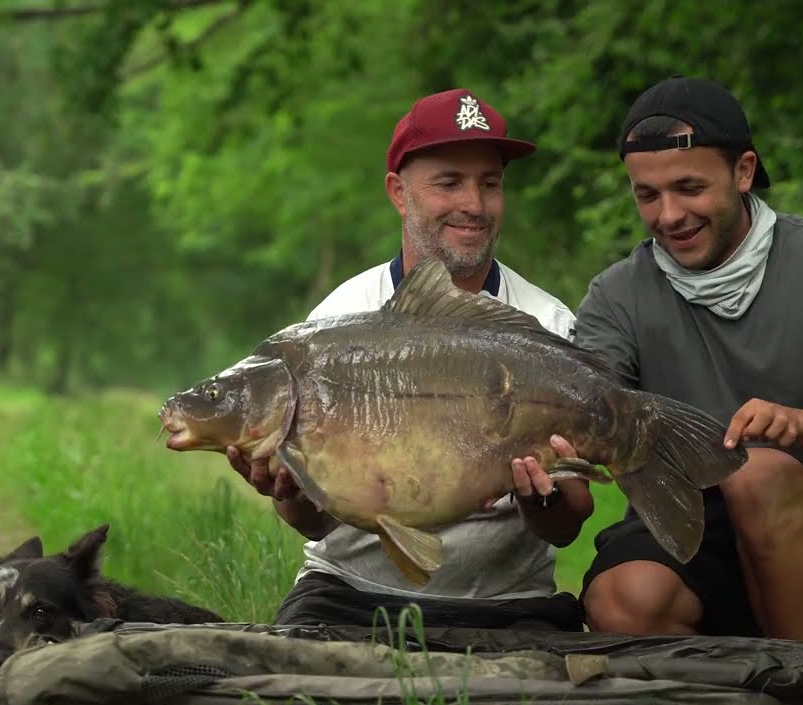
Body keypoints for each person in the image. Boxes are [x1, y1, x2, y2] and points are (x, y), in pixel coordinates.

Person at [224, 88, 595, 631]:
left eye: (489, 184)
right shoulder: (336, 321)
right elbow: (315, 525)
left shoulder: (547, 325)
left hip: (509, 602)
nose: (474, 204)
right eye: (449, 182)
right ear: (399, 193)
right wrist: (288, 495)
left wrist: (543, 502)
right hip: (350, 594)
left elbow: (567, 527)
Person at [573, 76, 803, 644]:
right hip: (686, 523)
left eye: (689, 187)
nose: (669, 215)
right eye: (647, 195)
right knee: (622, 600)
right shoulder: (615, 295)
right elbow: (588, 417)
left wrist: (797, 424)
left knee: (755, 474)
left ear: (743, 171)